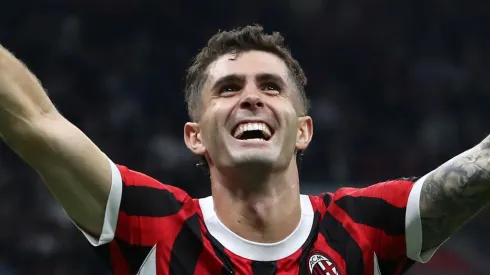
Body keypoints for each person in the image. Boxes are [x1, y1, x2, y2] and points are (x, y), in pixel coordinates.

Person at [0, 24, 489, 275]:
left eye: (271, 87)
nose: (251, 97)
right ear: (195, 136)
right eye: (228, 88)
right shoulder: (155, 227)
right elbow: (36, 122)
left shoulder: (365, 226)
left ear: (303, 131)